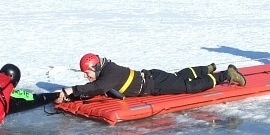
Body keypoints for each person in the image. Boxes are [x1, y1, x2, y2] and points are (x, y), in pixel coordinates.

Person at [56, 53, 246, 103]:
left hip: (155, 83)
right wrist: (71, 95)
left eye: (87, 73)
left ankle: (224, 75)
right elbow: (94, 88)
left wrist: (71, 89)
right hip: (153, 78)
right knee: (179, 77)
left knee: (190, 87)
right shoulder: (106, 72)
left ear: (95, 67)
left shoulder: (110, 72)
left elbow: (98, 88)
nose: (86, 77)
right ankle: (207, 68)